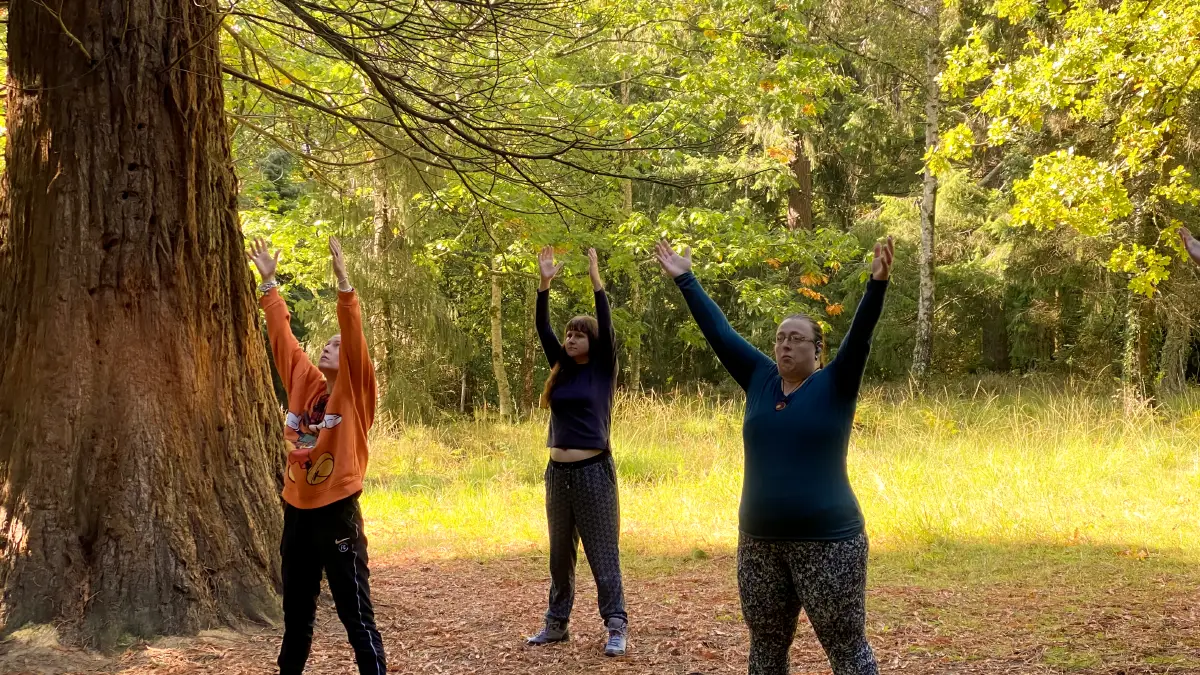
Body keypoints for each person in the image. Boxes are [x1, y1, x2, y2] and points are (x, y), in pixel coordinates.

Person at [654, 236, 894, 675]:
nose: (784, 345)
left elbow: (860, 336)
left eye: (796, 339)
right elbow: (720, 333)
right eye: (780, 338)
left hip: (830, 543)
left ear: (816, 350)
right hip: (759, 543)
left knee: (846, 649)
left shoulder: (835, 384)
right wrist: (686, 279)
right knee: (765, 648)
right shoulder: (760, 378)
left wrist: (876, 285)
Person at [247, 237, 387, 675]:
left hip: (337, 511)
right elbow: (283, 341)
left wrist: (345, 285)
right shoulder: (307, 384)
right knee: (296, 620)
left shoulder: (356, 393)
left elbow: (353, 336)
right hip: (297, 511)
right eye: (325, 343)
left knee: (355, 616)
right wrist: (269, 283)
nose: (328, 347)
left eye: (336, 345)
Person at [526, 246, 629, 657]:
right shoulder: (562, 367)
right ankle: (556, 624)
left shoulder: (603, 368)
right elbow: (541, 328)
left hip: (593, 471)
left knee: (603, 551)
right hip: (558, 474)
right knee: (558, 553)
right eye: (569, 334)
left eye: (579, 333)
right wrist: (544, 285)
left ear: (593, 341)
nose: (570, 339)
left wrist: (597, 283)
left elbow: (606, 324)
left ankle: (616, 625)